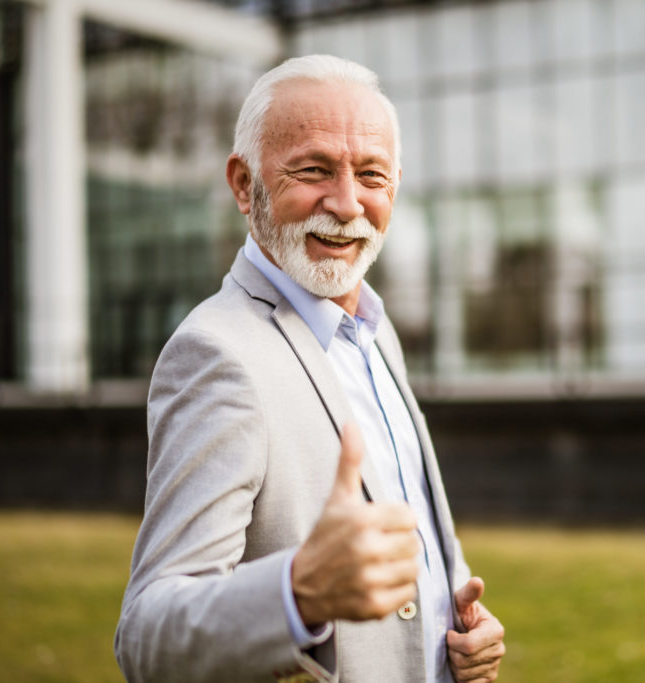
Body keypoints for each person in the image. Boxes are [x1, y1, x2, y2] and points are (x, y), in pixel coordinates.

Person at [115, 55, 505, 683]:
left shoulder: (376, 334)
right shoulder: (217, 355)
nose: (348, 204)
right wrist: (297, 593)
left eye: (372, 175)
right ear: (245, 185)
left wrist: (456, 628)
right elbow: (147, 636)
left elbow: (412, 566)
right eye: (314, 170)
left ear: (396, 184)